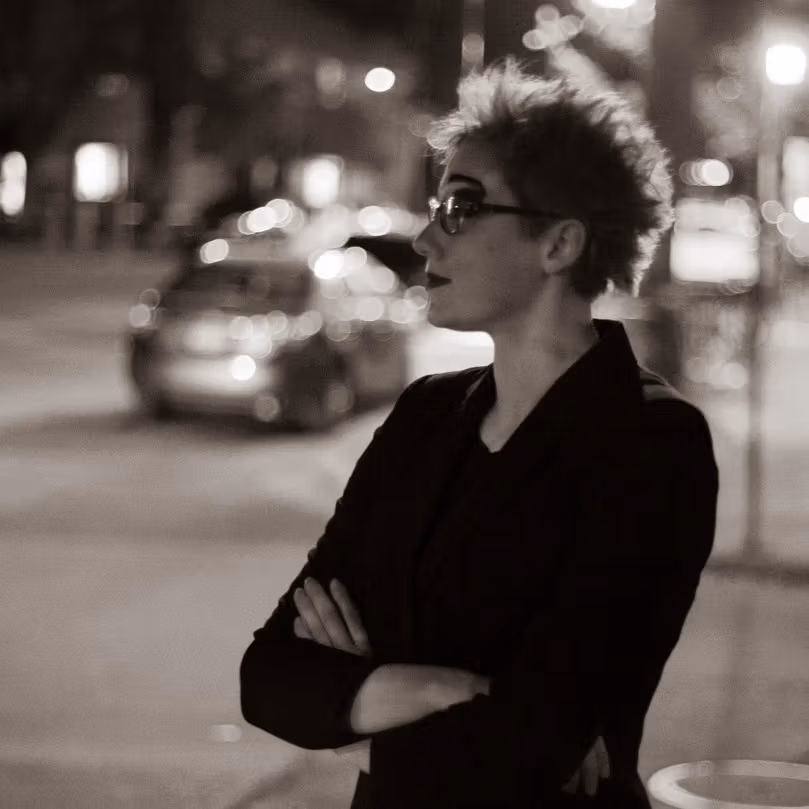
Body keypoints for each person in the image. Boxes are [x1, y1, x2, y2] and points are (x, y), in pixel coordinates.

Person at [240, 58, 719, 808]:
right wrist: (438, 688)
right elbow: (268, 676)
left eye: (461, 209)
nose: (427, 240)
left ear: (558, 245)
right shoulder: (426, 412)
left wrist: (357, 698)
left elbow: (531, 740)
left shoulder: (651, 440)